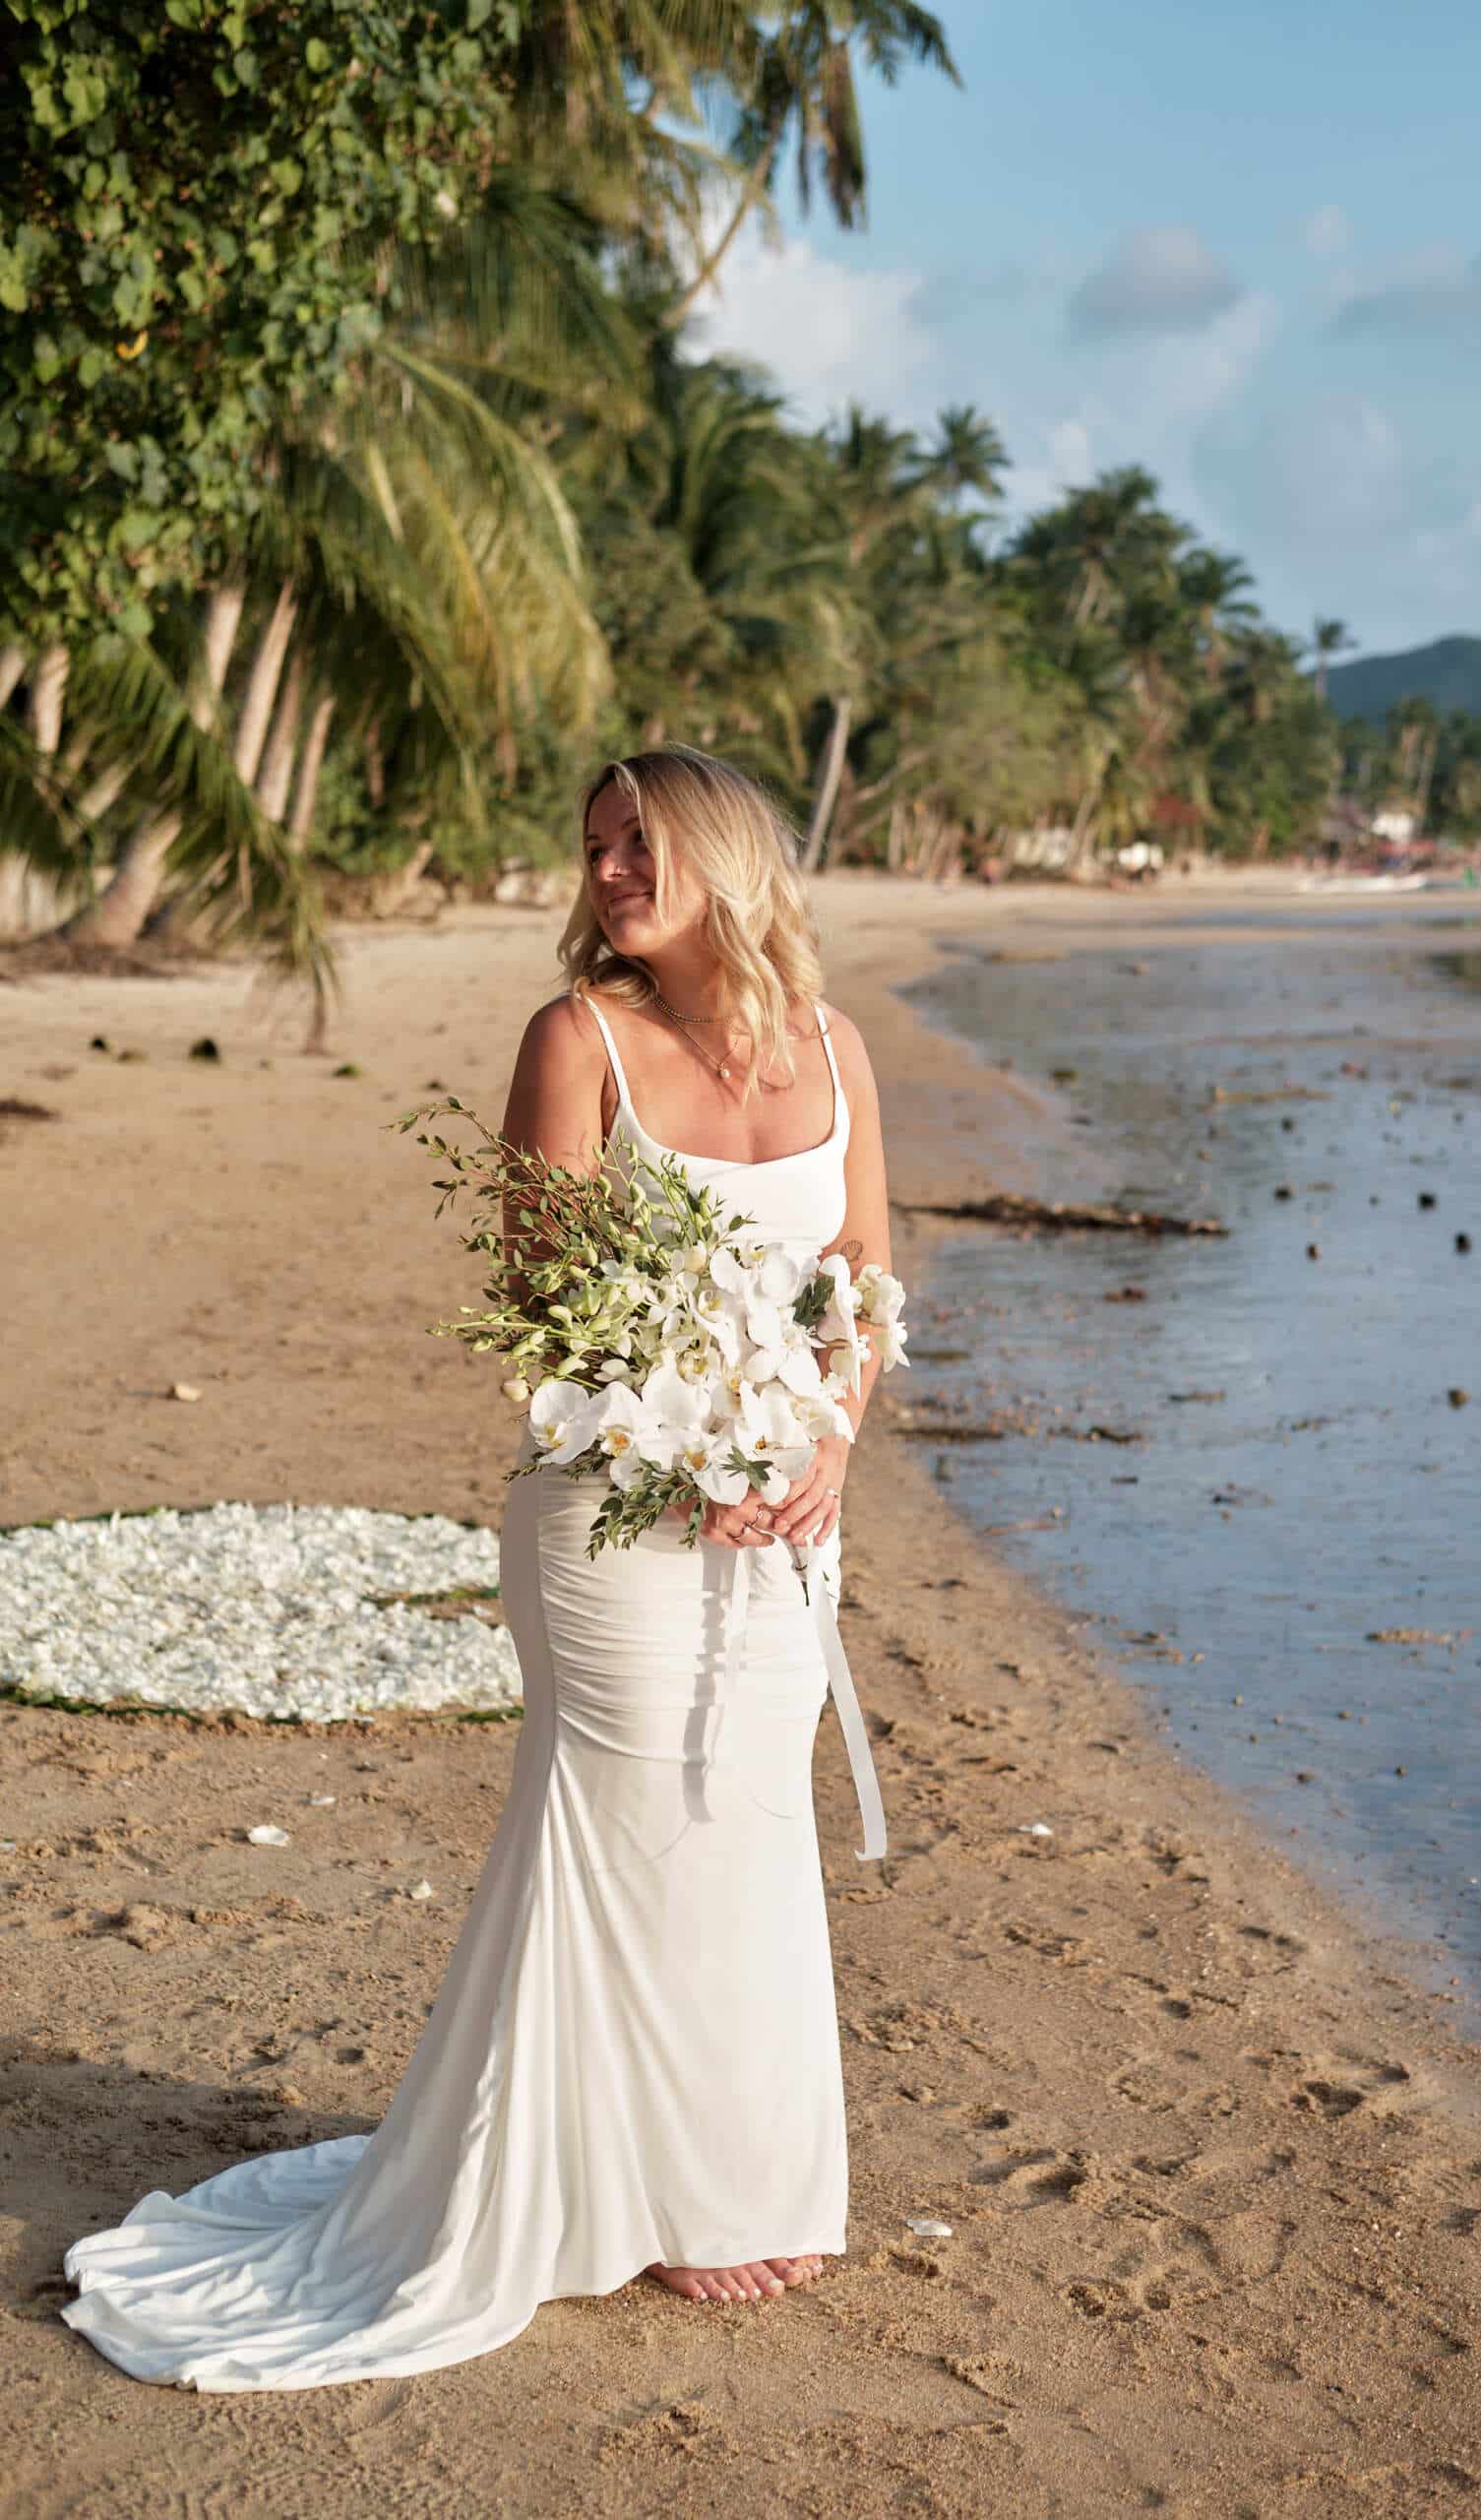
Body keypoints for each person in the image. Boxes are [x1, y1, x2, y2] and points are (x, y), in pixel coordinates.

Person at [59, 744, 895, 2388]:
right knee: (637, 1832)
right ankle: (646, 2199)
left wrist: (827, 1441)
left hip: (793, 1510)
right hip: (614, 1512)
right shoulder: (578, 1039)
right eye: (595, 848)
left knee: (744, 1825)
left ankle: (737, 2178)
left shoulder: (838, 1047)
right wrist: (706, 1452)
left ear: (725, 852)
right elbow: (548, 1304)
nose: (608, 872)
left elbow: (862, 1268)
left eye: (639, 842)